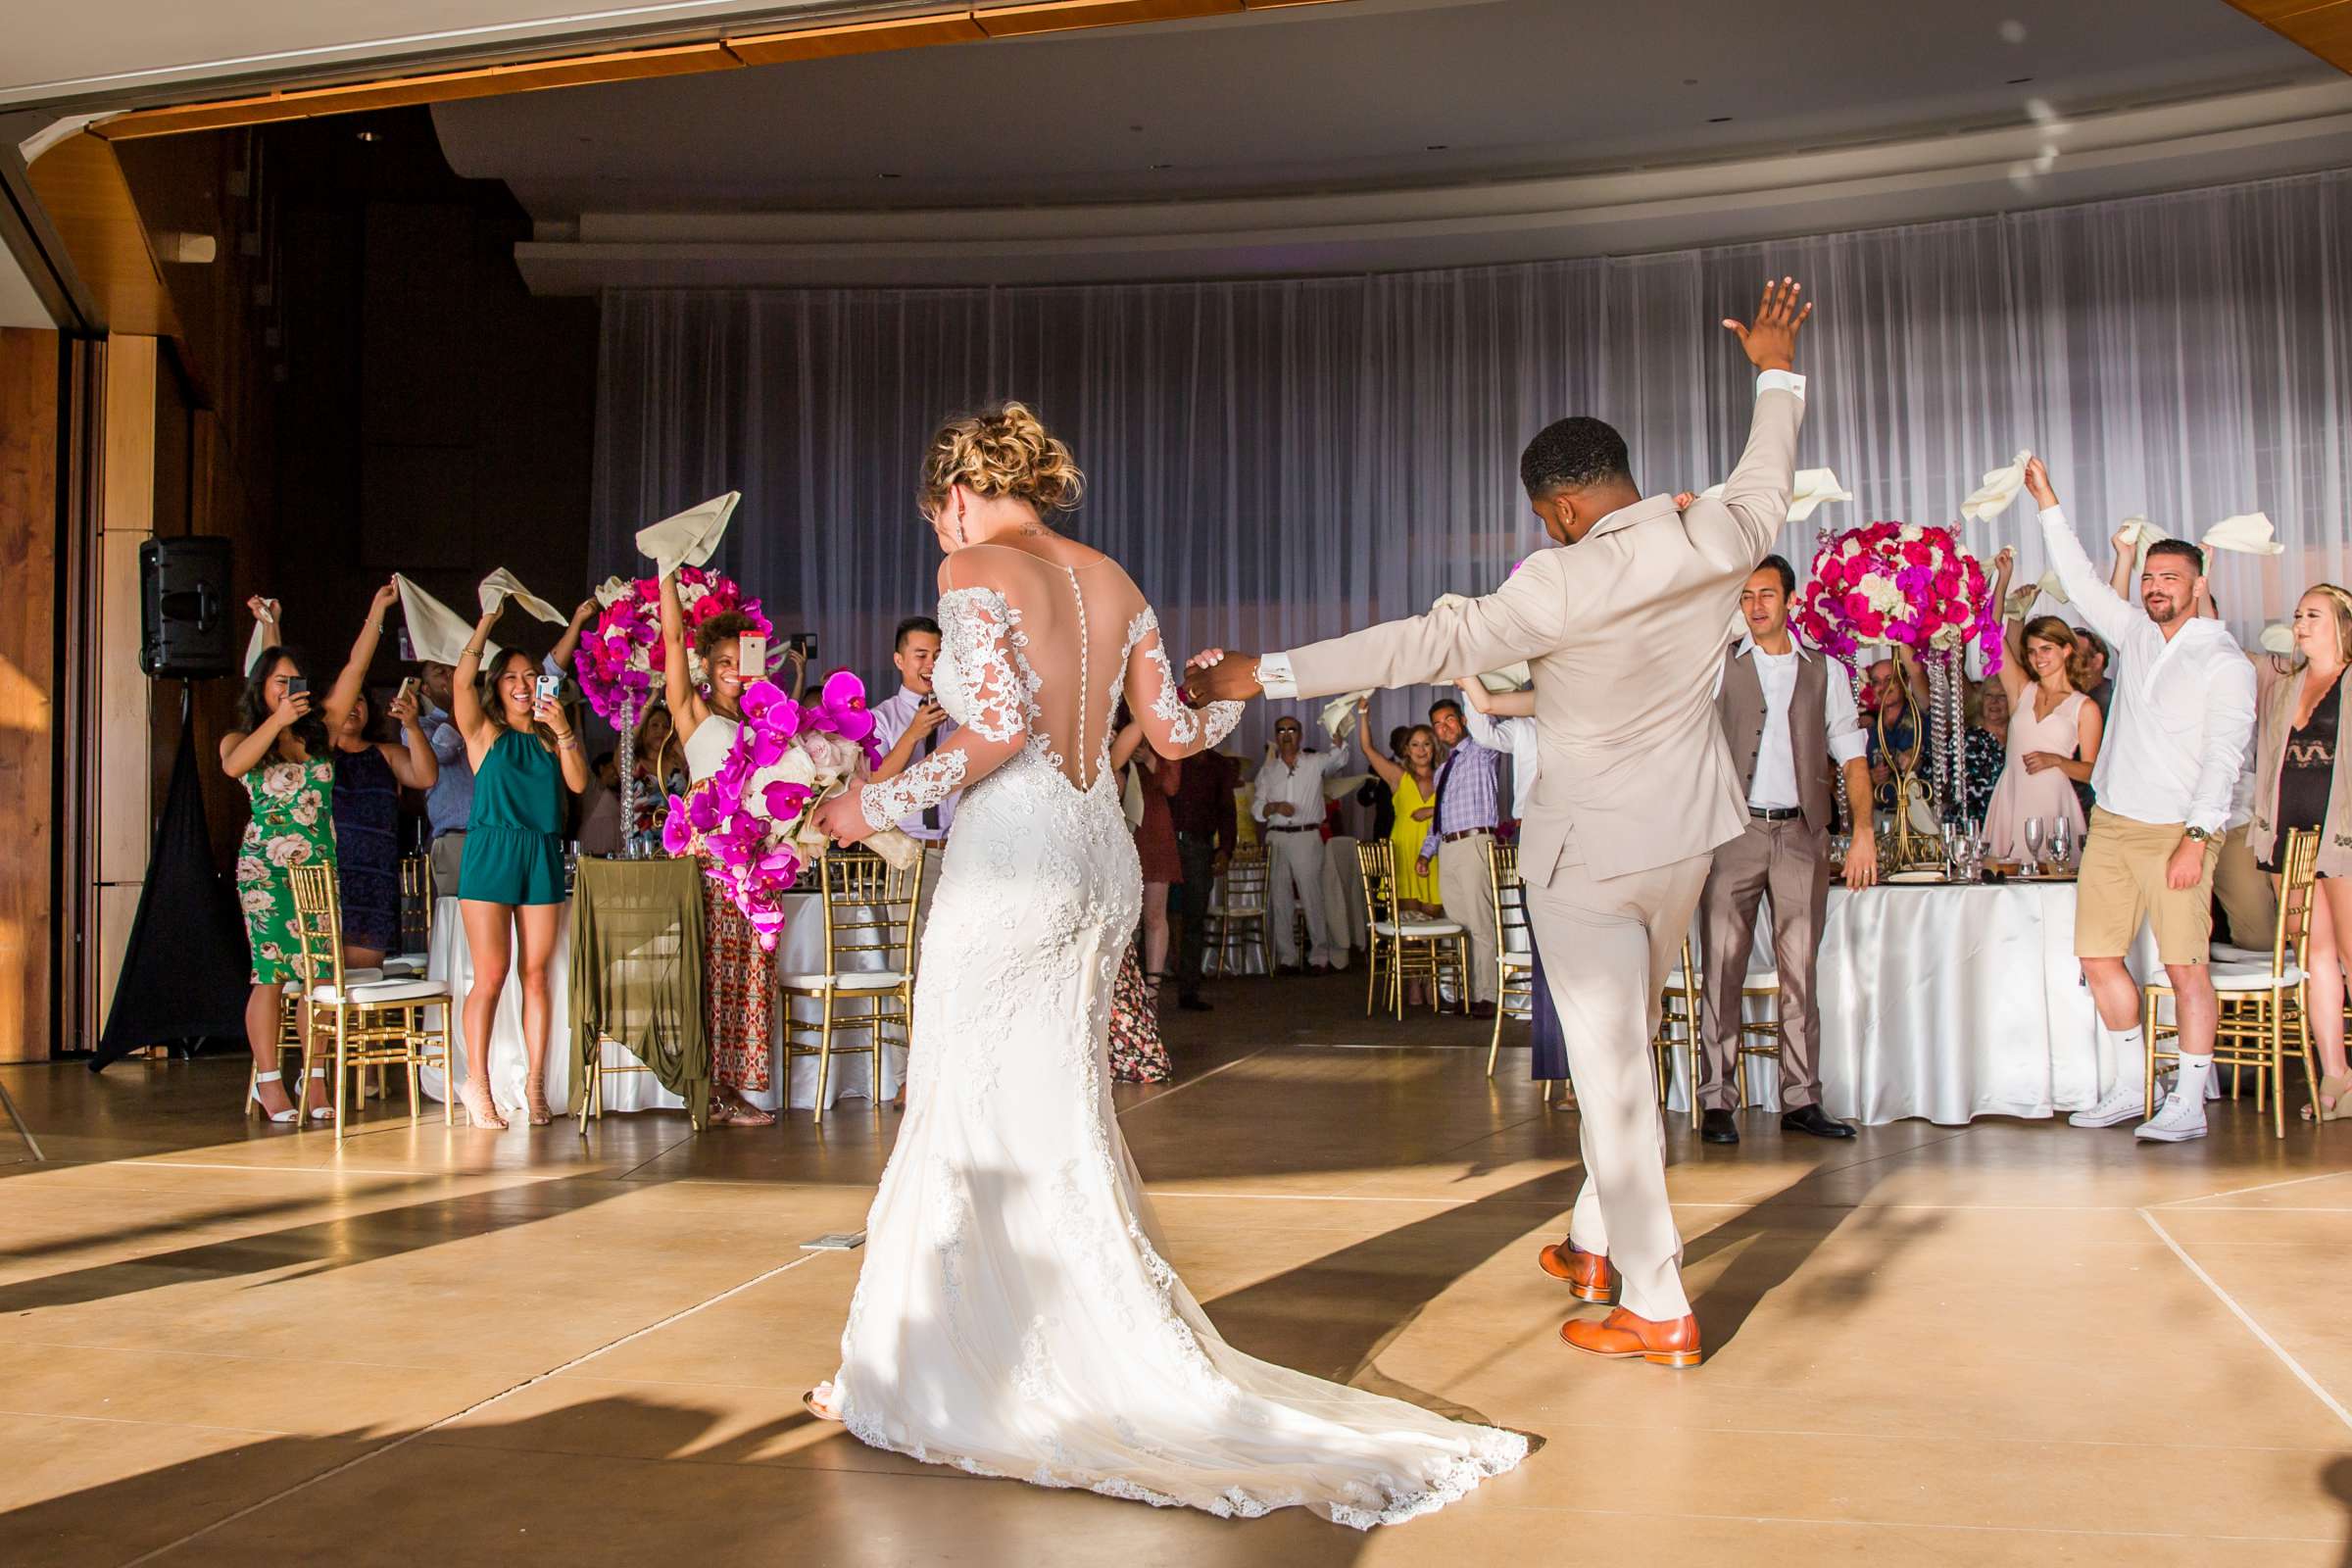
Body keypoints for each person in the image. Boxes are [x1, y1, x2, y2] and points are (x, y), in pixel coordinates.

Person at [802, 401, 1523, 1522]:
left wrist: (869, 803)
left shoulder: (975, 566)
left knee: (964, 1088)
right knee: (1058, 1100)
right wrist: (1207, 686)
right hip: (1094, 851)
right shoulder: (1115, 577)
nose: (941, 537)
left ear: (955, 494)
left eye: (937, 516)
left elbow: (990, 736)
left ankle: (948, 1363)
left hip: (1014, 856)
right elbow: (1182, 737)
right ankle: (1043, 1331)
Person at [1193, 276, 1816, 1370]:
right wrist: (1774, 363)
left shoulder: (1557, 586)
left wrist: (1264, 671)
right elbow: (1770, 463)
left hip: (1583, 862)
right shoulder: (1720, 532)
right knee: (1630, 1045)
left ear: (1563, 510)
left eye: (1543, 520)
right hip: (1687, 843)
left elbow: (1413, 647)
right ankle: (1591, 1237)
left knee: (1615, 1073)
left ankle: (1658, 1301)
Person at [2030, 458, 2256, 1143]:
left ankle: (2187, 1099)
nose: (2156, 588)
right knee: (2098, 958)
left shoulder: (2225, 660)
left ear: (2198, 584)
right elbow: (2079, 582)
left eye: (2169, 579)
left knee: (2186, 964)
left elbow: (2224, 758)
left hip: (2177, 833)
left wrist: (2197, 837)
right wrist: (2048, 503)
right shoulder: (2133, 635)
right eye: (2151, 577)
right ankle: (2133, 1086)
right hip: (2114, 826)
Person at [1697, 556, 1880, 1146]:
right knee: (1722, 967)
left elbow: (1852, 757)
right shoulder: (1719, 665)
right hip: (1733, 833)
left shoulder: (1825, 671)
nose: (1756, 606)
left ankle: (1802, 1099)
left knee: (1800, 972)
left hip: (1803, 835)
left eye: (1767, 594)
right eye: (1746, 595)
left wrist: (1863, 833)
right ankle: (1717, 1100)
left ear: (1790, 600)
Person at [224, 585, 392, 1122]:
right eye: (279, 682)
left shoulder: (320, 733)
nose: (290, 690)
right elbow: (233, 768)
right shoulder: (241, 738)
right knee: (270, 974)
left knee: (318, 976)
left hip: (318, 872)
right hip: (265, 871)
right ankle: (269, 1083)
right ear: (262, 690)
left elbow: (355, 669)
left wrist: (376, 613)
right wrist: (276, 720)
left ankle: (314, 1079)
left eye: (295, 682)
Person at [451, 603, 589, 1129]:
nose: (523, 683)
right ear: (498, 685)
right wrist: (484, 622)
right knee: (490, 975)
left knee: (537, 976)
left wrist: (564, 730)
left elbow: (577, 785)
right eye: (510, 676)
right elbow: (463, 682)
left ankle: (535, 1085)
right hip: (490, 852)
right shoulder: (485, 733)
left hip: (541, 852)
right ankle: (477, 1085)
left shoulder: (551, 736)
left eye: (530, 675)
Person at [659, 568, 788, 1128]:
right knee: (707, 976)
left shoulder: (765, 723)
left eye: (744, 661)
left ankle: (732, 1088)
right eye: (725, 663)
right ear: (707, 669)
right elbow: (671, 640)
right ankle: (705, 1087)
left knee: (747, 976)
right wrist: (666, 571)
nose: (736, 672)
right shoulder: (694, 713)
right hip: (703, 860)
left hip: (753, 862)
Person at [2246, 585, 2352, 1121]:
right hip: (2288, 835)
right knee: (2313, 958)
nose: (2301, 622)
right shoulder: (2284, 684)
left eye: (2313, 615)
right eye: (2297, 615)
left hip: (2344, 835)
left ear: (2341, 623)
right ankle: (2336, 1075)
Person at [1455, 678, 1571, 1096]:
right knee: (1545, 948)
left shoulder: (1583, 721)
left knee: (1580, 949)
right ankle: (1559, 1064)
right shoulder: (1522, 729)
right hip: (1533, 834)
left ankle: (1585, 1064)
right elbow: (1484, 731)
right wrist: (1468, 684)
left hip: (1580, 831)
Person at [1980, 548, 2101, 863]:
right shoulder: (2022, 689)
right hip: (2012, 795)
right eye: (2032, 651)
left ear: (2066, 651)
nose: (2038, 658)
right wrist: (2002, 580)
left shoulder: (2084, 707)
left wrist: (2056, 761)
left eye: (2046, 649)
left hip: (2053, 802)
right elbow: (1991, 635)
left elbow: (2093, 772)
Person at [328, 684, 439, 966]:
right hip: (328, 876)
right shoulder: (315, 758)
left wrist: (412, 726)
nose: (353, 706)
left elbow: (425, 776)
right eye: (346, 699)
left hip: (373, 880)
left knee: (363, 979)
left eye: (360, 700)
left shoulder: (387, 753)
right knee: (324, 981)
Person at [869, 614, 957, 956]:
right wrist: (912, 735)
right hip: (908, 853)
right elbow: (876, 784)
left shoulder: (962, 717)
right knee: (910, 959)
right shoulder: (883, 718)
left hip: (959, 851)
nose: (931, 664)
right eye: (921, 655)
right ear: (899, 660)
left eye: (938, 655)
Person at [1250, 715, 1351, 974]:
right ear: (1276, 734)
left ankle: (1319, 956)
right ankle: (1287, 958)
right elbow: (1256, 807)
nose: (1286, 734)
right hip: (1276, 835)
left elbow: (1339, 759)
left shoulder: (1314, 761)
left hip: (1307, 835)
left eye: (1292, 729)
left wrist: (1338, 737)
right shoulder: (1268, 770)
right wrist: (1272, 807)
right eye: (1281, 729)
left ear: (1300, 734)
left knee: (1312, 896)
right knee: (1280, 896)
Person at [1425, 697, 1502, 1019]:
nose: (1445, 728)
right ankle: (1467, 993)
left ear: (1463, 720)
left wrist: (1470, 690)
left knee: (1481, 922)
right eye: (1438, 725)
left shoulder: (1483, 750)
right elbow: (1438, 817)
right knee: (1460, 924)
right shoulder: (1441, 770)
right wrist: (1426, 852)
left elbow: (1488, 723)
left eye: (1450, 720)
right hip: (1448, 846)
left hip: (1474, 841)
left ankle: (1488, 994)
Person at [1360, 718, 1446, 1006]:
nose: (1421, 750)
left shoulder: (1445, 775)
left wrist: (1431, 810)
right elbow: (1367, 748)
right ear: (1406, 750)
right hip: (1404, 854)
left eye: (1426, 744)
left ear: (1434, 748)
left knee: (1433, 924)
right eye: (1415, 744)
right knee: (1410, 929)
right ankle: (1413, 985)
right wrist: (1363, 714)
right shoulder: (1398, 777)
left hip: (1434, 855)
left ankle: (1432, 981)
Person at [1111, 704, 1183, 1002]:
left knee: (1155, 914)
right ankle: (1122, 988)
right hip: (1117, 827)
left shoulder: (1164, 731)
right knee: (1121, 917)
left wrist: (1150, 758)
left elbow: (1172, 785)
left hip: (1153, 827)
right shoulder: (1106, 725)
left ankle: (1152, 992)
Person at [1166, 748, 1236, 1011]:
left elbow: (1227, 809)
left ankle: (1188, 991)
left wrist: (1225, 849)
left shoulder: (1218, 764)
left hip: (1198, 845)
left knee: (1194, 919)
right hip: (1165, 842)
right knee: (1154, 916)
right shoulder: (1169, 754)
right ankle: (1146, 990)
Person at [416, 659, 474, 896]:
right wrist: (460, 700)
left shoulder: (481, 720)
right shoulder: (418, 727)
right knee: (457, 916)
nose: (450, 676)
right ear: (425, 690)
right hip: (455, 838)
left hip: (494, 836)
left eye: (455, 671)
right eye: (441, 672)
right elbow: (441, 752)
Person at [1863, 644, 1932, 813]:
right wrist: (1871, 777)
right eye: (1877, 682)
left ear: (1905, 681)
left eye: (1890, 679)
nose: (1883, 687)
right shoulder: (1869, 726)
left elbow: (1916, 671)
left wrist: (1893, 629)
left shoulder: (1920, 713)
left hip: (1921, 814)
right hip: (1882, 816)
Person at [1962, 679, 2010, 824]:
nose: (1994, 701)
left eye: (2002, 696)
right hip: (1974, 827)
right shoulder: (1966, 739)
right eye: (1989, 695)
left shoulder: (2021, 738)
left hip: (2012, 822)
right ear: (1981, 701)